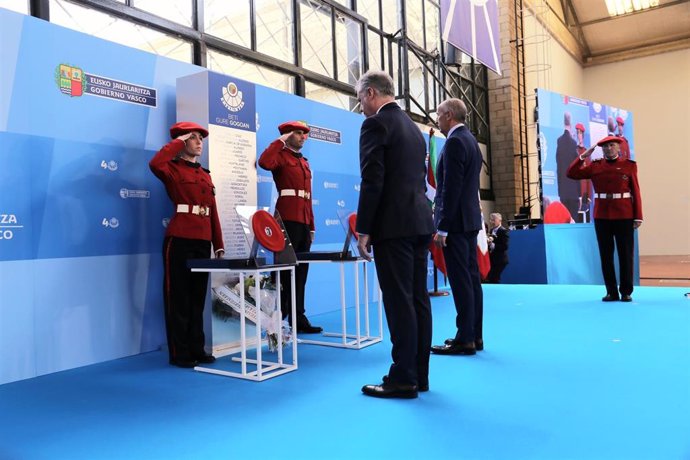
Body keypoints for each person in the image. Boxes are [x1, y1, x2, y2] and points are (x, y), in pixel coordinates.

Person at [355, 70, 434, 399]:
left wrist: (364, 228)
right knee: (418, 300)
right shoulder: (414, 130)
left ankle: (402, 377)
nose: (361, 108)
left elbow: (373, 180)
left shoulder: (376, 124)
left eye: (360, 99)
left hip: (394, 228)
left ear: (371, 93)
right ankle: (419, 374)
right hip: (419, 224)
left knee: (399, 301)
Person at [149, 121, 225, 368]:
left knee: (196, 298)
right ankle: (179, 352)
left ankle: (197, 348)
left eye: (201, 139)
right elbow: (155, 163)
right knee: (178, 298)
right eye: (193, 138)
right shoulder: (171, 168)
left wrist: (218, 244)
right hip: (179, 238)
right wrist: (178, 141)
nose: (199, 142)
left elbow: (212, 212)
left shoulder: (205, 175)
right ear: (182, 142)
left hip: (202, 240)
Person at [428, 98, 484, 356]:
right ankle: (474, 335)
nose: (436, 119)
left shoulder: (453, 142)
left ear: (449, 115)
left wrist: (442, 228)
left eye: (438, 115)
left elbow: (451, 188)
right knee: (471, 281)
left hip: (457, 224)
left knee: (461, 281)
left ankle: (465, 339)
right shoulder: (470, 140)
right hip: (469, 221)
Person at [258, 120, 322, 334]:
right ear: (286, 135)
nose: (304, 136)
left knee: (302, 271)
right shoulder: (280, 156)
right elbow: (264, 162)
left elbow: (307, 197)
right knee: (286, 271)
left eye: (305, 133)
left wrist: (311, 225)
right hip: (286, 220)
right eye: (298, 133)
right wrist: (279, 141)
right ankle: (281, 316)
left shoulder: (304, 162)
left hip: (303, 221)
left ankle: (298, 316)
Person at [566, 136, 643, 302]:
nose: (608, 149)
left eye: (611, 145)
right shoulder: (596, 166)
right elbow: (571, 173)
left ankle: (626, 291)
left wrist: (638, 216)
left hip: (624, 215)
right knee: (606, 255)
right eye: (605, 146)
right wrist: (584, 156)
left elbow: (635, 191)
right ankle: (611, 292)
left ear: (618, 147)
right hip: (602, 216)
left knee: (625, 254)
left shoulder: (629, 166)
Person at [555, 112, 580, 221]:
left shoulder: (559, 141)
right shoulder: (574, 143)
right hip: (573, 192)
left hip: (563, 192)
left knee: (564, 221)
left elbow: (559, 169)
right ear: (571, 123)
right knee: (573, 220)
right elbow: (577, 168)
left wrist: (560, 191)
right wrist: (579, 193)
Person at [575, 122, 592, 222]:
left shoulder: (587, 153)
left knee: (586, 219)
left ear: (583, 135)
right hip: (576, 193)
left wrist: (589, 196)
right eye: (577, 133)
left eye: (580, 133)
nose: (579, 135)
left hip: (585, 193)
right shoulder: (574, 151)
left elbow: (589, 175)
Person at [487, 212, 510, 283]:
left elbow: (505, 246)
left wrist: (493, 245)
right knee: (492, 278)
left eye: (494, 220)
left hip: (500, 259)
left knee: (494, 277)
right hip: (492, 259)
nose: (492, 222)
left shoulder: (503, 231)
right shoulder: (491, 230)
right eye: (491, 220)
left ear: (499, 220)